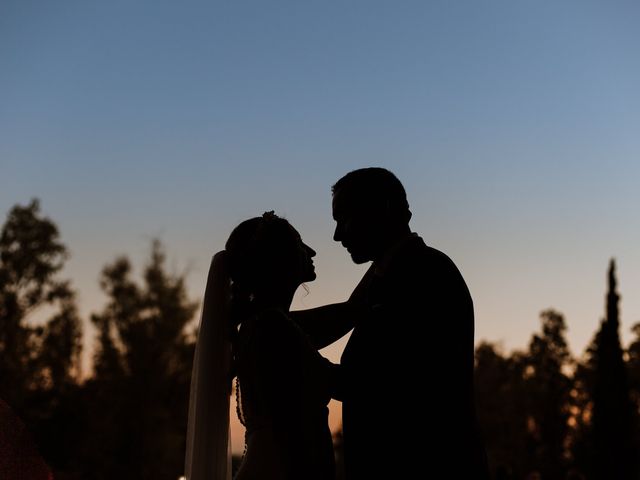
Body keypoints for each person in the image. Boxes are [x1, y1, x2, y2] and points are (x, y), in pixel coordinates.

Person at [295, 167, 490, 479]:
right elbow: (346, 314)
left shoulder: (426, 274)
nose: (337, 235)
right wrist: (266, 324)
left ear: (380, 210)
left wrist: (297, 361)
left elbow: (385, 383)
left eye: (343, 218)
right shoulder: (388, 273)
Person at [184, 212, 336, 480]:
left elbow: (334, 319)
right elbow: (340, 382)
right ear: (279, 259)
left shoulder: (263, 324)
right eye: (300, 243)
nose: (311, 251)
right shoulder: (272, 326)